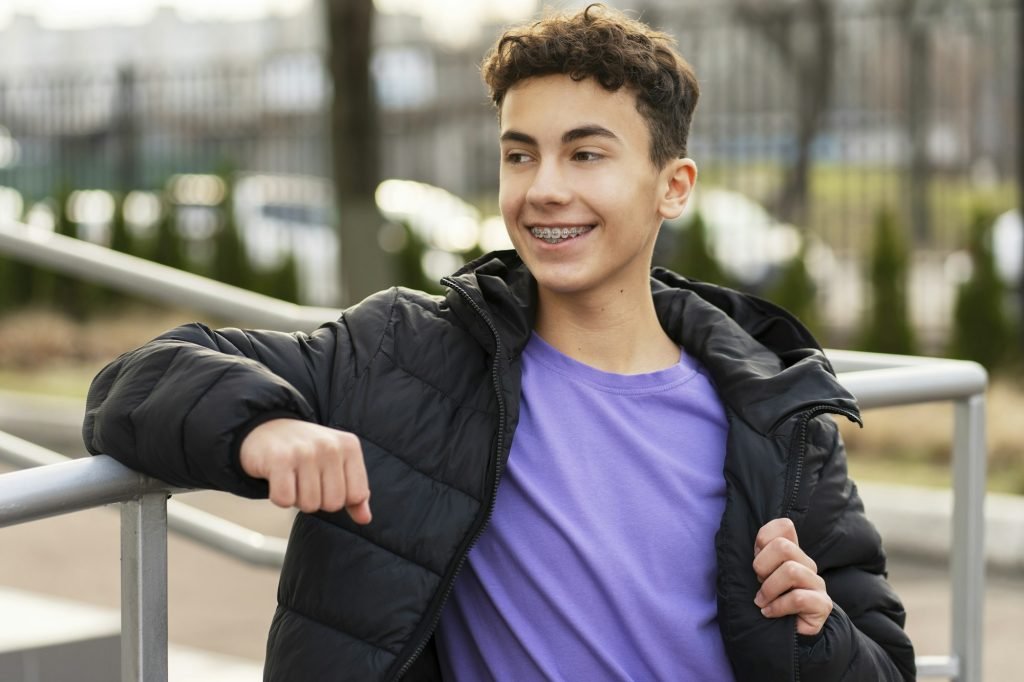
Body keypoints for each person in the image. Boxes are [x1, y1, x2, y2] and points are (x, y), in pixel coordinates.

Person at [83, 5, 915, 680]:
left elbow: (884, 665)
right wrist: (263, 424)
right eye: (522, 156)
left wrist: (817, 632)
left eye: (586, 153)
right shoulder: (407, 352)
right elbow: (138, 378)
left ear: (673, 186)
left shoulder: (775, 416)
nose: (545, 189)